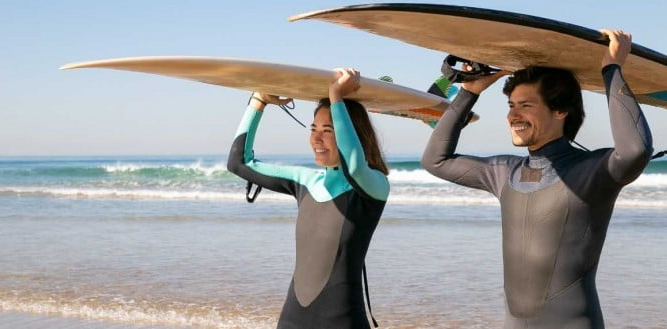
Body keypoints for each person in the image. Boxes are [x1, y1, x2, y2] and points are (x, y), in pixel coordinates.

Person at [421, 30, 653, 329]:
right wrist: (470, 92)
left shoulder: (592, 172)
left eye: (525, 106)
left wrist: (612, 69)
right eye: (511, 106)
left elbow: (636, 150)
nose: (513, 116)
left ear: (560, 111)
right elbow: (435, 161)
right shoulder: (504, 172)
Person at [227, 68, 390, 329]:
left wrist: (336, 95)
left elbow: (355, 166)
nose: (316, 138)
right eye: (314, 128)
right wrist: (258, 102)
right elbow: (239, 162)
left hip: (343, 321)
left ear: (354, 134)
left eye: (328, 129)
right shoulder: (306, 182)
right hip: (293, 319)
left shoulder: (374, 186)